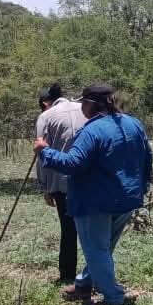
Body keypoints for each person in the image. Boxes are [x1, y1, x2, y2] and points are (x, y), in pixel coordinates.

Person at [35, 82, 153, 305]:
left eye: (83, 103)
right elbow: (147, 158)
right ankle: (83, 284)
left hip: (94, 201)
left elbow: (72, 164)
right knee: (104, 246)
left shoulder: (92, 131)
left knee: (96, 250)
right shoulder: (133, 124)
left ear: (89, 103)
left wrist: (44, 151)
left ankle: (114, 297)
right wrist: (140, 185)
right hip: (126, 198)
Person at [35, 83, 86, 284]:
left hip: (62, 181)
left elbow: (41, 153)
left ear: (45, 103)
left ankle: (67, 276)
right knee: (92, 230)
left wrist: (45, 187)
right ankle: (95, 275)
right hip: (88, 180)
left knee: (68, 230)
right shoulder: (85, 109)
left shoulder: (46, 116)